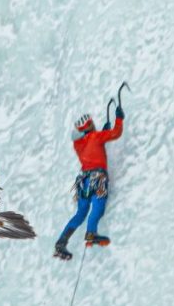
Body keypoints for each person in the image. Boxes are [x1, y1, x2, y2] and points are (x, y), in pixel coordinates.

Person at [53, 103, 124, 260]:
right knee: (98, 207)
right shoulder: (96, 136)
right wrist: (119, 118)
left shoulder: (77, 143)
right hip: (97, 177)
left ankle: (62, 241)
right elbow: (116, 133)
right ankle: (91, 233)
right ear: (89, 125)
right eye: (91, 123)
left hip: (83, 180)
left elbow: (93, 145)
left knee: (81, 213)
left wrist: (102, 132)